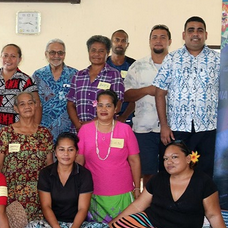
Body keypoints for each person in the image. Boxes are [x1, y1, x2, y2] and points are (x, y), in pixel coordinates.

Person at [109, 141, 228, 228]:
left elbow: (214, 215)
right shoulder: (158, 179)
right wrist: (111, 225)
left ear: (188, 159)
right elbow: (138, 206)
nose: (169, 162)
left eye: (174, 157)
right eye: (165, 159)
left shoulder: (203, 182)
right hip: (149, 222)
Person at [19, 132, 113, 228]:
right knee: (33, 227)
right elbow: (46, 206)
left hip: (78, 226)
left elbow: (83, 208)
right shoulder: (46, 173)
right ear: (55, 152)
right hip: (52, 225)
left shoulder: (84, 175)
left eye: (70, 150)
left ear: (76, 152)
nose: (66, 154)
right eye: (61, 150)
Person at [154, 16, 219, 178]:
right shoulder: (172, 59)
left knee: (203, 173)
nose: (195, 34)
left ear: (206, 34)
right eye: (191, 30)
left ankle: (201, 203)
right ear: (184, 35)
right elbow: (159, 93)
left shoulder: (217, 60)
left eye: (200, 30)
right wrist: (164, 126)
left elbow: (226, 93)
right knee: (173, 170)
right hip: (176, 128)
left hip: (207, 128)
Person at [76, 90, 141, 224]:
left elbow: (134, 161)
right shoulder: (85, 130)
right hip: (94, 193)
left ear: (116, 108)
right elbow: (79, 161)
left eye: (108, 106)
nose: (103, 109)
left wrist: (137, 188)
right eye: (100, 105)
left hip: (122, 193)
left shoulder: (125, 130)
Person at [124, 24, 172, 188]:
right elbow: (126, 95)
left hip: (172, 128)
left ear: (169, 41)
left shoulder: (176, 65)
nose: (158, 41)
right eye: (154, 37)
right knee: (148, 173)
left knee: (172, 172)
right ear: (150, 41)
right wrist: (147, 90)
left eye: (163, 37)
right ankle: (149, 208)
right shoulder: (138, 66)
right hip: (144, 129)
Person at [0, 92, 54, 221]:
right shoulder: (6, 133)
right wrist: (0, 196)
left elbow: (50, 165)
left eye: (30, 103)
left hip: (39, 194)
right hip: (12, 194)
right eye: (22, 104)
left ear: (36, 105)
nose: (27, 107)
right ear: (16, 109)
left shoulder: (45, 133)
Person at [0, 43, 40, 166]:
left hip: (16, 136)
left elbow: (36, 106)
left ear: (20, 59)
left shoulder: (25, 80)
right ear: (0, 57)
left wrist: (34, 133)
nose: (8, 59)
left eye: (13, 56)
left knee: (13, 170)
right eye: (5, 55)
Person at [67, 35, 124, 132]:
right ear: (88, 52)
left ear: (108, 53)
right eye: (93, 50)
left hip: (104, 129)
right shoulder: (78, 76)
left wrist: (92, 124)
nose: (96, 54)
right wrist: (78, 125)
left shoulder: (114, 75)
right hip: (79, 130)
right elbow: (70, 104)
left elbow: (117, 105)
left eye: (101, 51)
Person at [32, 38, 78, 141]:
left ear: (64, 54)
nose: (56, 56)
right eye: (52, 52)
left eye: (60, 53)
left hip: (68, 131)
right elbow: (33, 103)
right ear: (46, 54)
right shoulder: (38, 75)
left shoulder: (75, 75)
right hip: (43, 130)